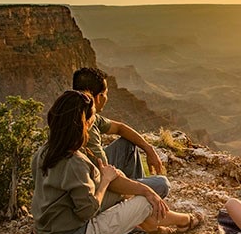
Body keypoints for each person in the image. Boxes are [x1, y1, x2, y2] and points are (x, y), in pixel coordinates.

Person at [9, 90, 201, 234]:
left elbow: (47, 200)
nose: (93, 122)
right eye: (91, 119)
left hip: (54, 233)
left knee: (136, 194)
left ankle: (165, 223)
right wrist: (106, 181)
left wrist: (144, 189)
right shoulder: (74, 162)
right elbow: (88, 210)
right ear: (82, 124)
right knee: (144, 203)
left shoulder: (43, 152)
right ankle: (183, 220)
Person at [72, 67, 170, 198]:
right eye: (105, 93)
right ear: (98, 97)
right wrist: (144, 190)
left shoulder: (83, 114)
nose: (107, 98)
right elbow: (107, 180)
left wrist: (149, 149)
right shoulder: (86, 130)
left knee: (127, 144)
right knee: (162, 184)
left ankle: (138, 204)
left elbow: (120, 128)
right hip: (95, 190)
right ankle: (138, 204)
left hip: (93, 173)